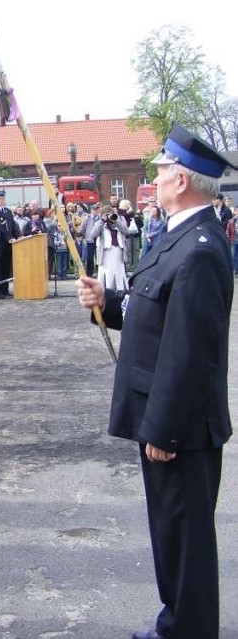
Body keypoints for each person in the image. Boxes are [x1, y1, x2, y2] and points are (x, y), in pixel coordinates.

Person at [76, 122, 234, 639]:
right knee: (171, 536)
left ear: (183, 181)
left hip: (180, 428)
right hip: (164, 419)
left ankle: (189, 631)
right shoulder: (180, 235)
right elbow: (155, 310)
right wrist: (109, 301)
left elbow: (189, 354)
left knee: (185, 541)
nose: (156, 175)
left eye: (163, 168)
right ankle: (177, 624)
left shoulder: (202, 248)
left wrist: (162, 431)